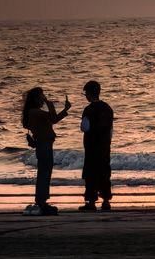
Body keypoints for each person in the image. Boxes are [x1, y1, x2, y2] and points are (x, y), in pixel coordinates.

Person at [21, 87, 71, 215]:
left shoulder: (35, 113)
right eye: (41, 97)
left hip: (44, 145)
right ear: (35, 99)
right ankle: (41, 201)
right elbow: (53, 117)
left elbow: (53, 120)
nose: (43, 100)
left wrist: (65, 110)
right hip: (44, 145)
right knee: (44, 173)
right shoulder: (34, 112)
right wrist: (49, 103)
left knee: (44, 172)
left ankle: (41, 200)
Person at [79, 80, 114, 211]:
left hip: (92, 146)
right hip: (105, 146)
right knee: (104, 172)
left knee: (90, 173)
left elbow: (84, 128)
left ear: (89, 93)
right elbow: (111, 130)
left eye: (85, 93)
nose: (86, 96)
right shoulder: (108, 108)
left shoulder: (88, 109)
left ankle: (91, 202)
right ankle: (106, 201)